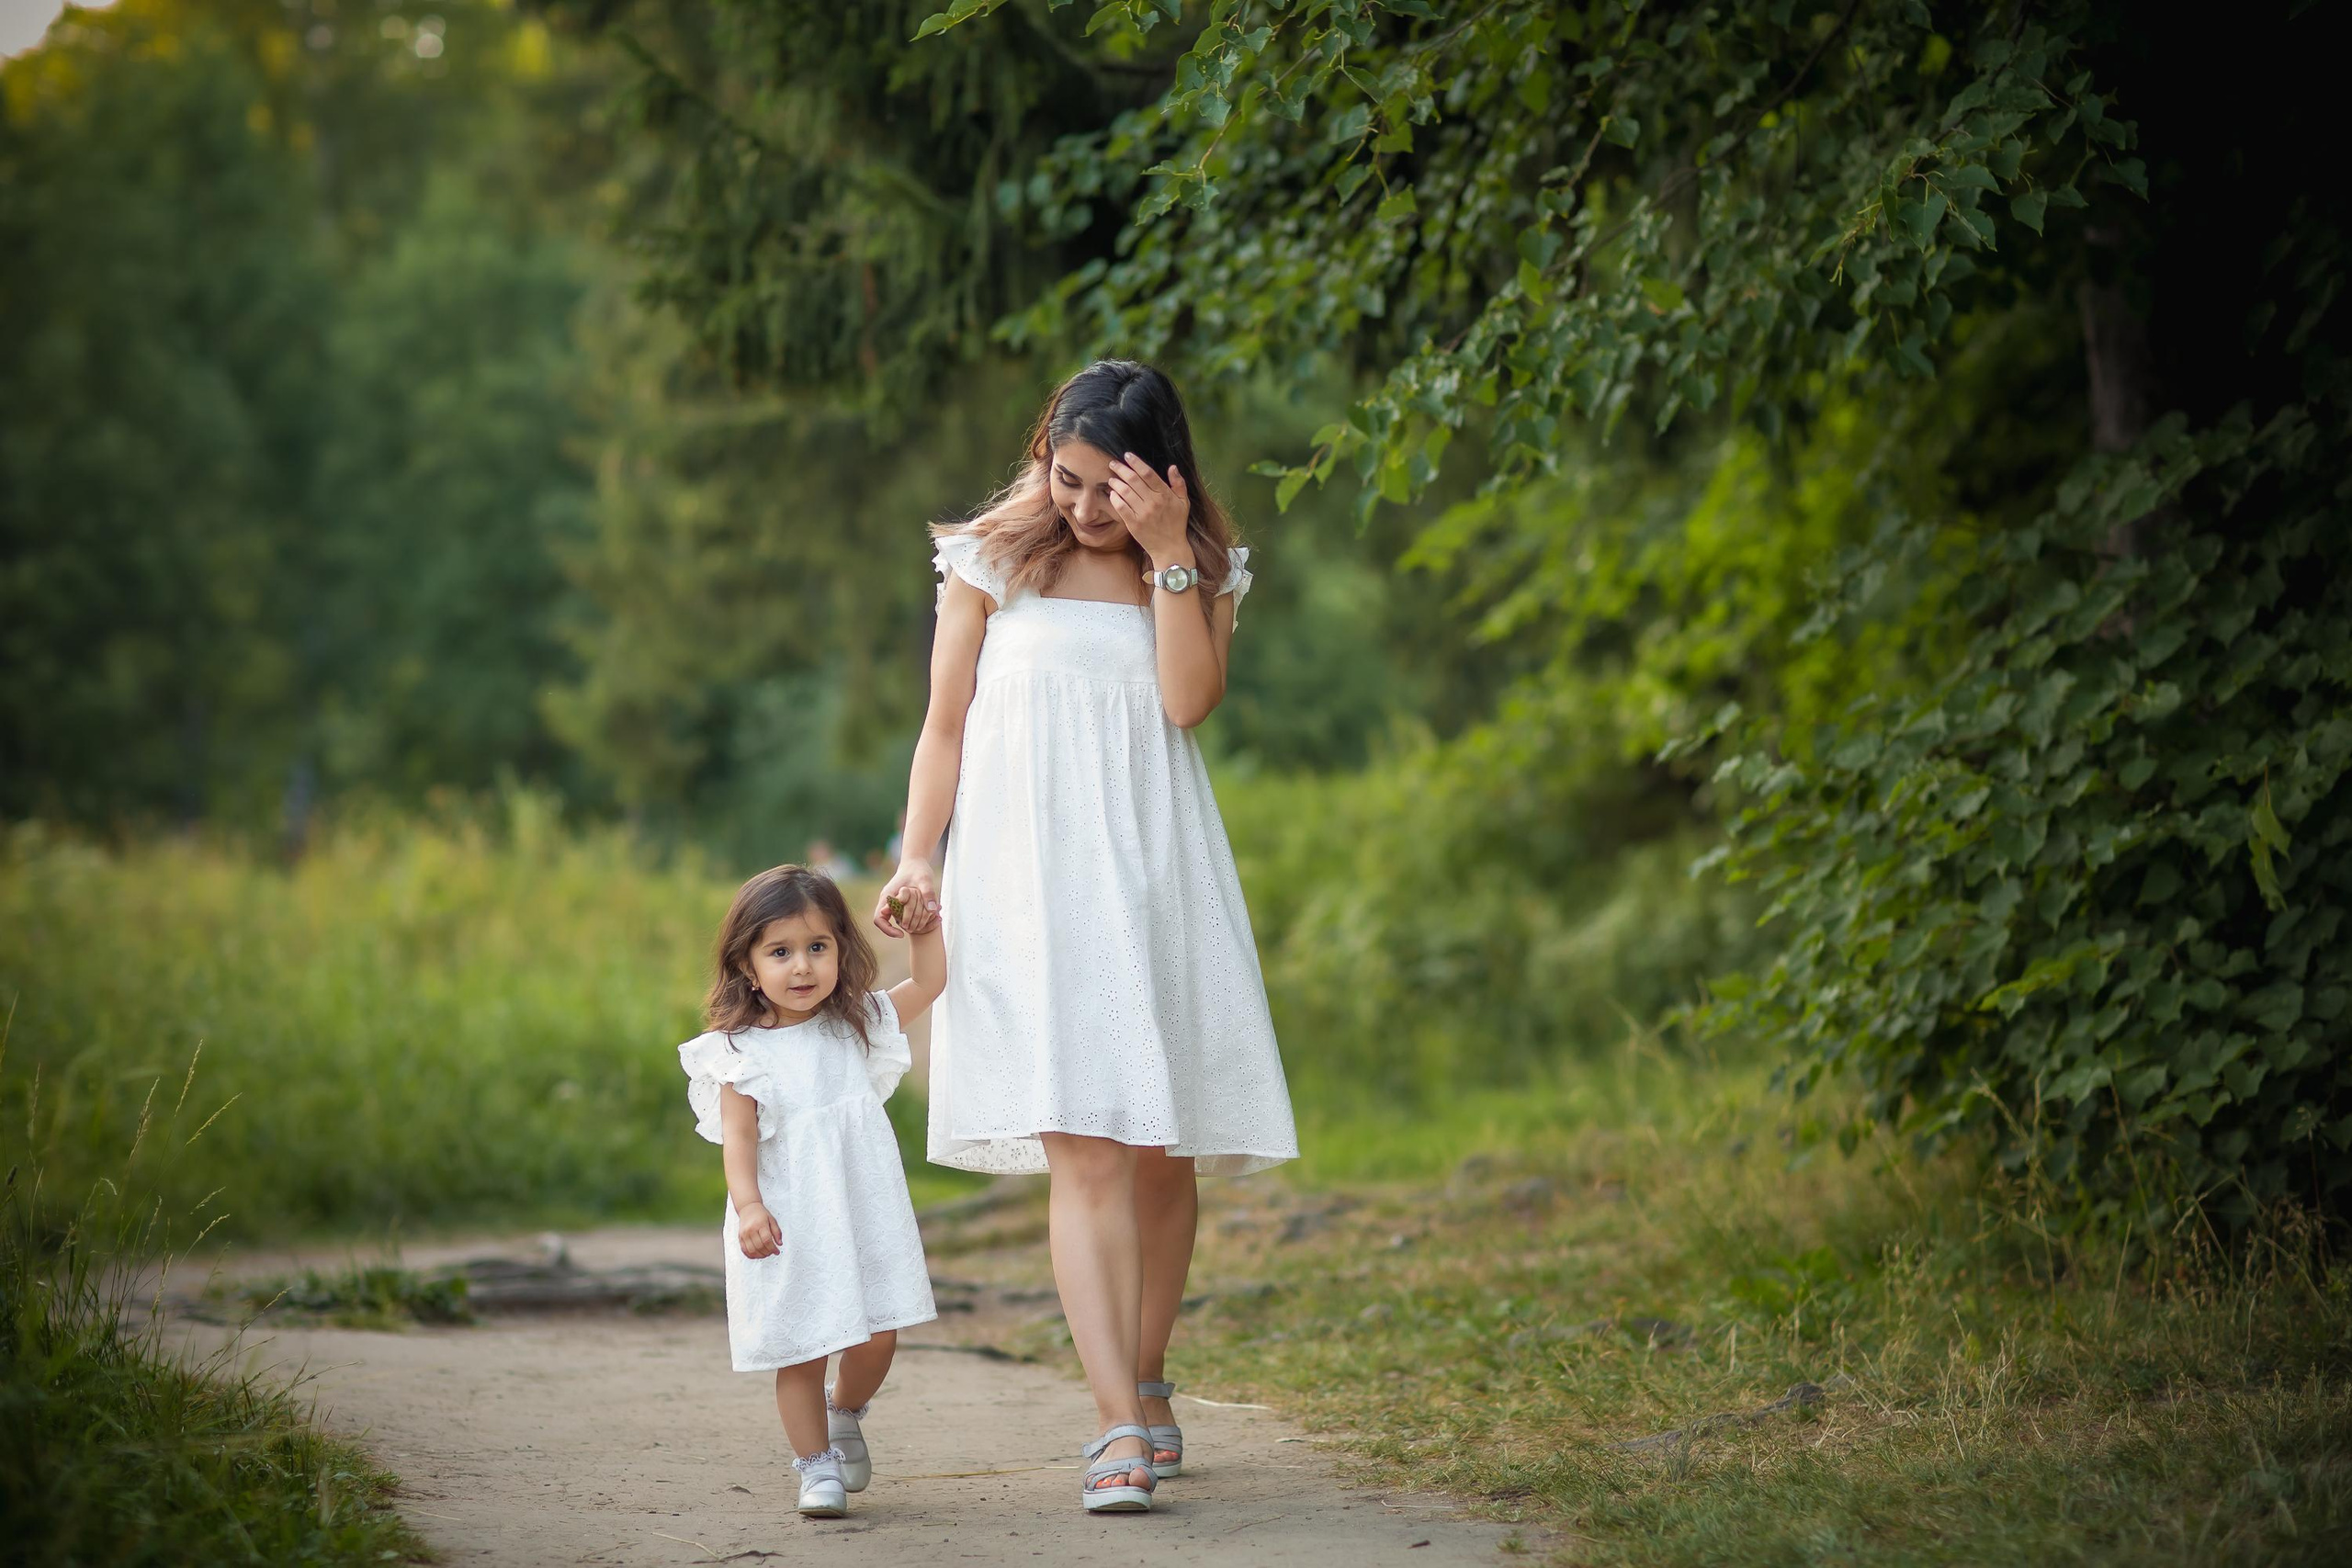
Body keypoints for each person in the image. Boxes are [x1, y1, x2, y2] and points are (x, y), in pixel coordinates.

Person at [875, 359, 1299, 1515]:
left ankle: (1149, 1376)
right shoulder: (990, 559)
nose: (1079, 506)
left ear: (1159, 477)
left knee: (1160, 1155)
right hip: (1024, 883)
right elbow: (942, 729)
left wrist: (1167, 551)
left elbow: (1186, 704)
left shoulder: (1199, 568)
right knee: (1086, 1145)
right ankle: (1113, 1420)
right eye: (1064, 478)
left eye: (1106, 488)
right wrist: (918, 855)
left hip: (1154, 874)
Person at [679, 864, 945, 1517]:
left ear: (840, 950)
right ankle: (814, 1464)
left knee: (878, 1335)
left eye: (817, 947)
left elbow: (933, 981)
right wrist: (748, 1206)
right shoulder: (737, 1051)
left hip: (862, 1207)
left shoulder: (858, 1022)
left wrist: (925, 925)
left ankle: (844, 1409)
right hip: (789, 1214)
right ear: (747, 963)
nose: (802, 967)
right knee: (803, 1343)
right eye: (780, 952)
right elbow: (739, 1139)